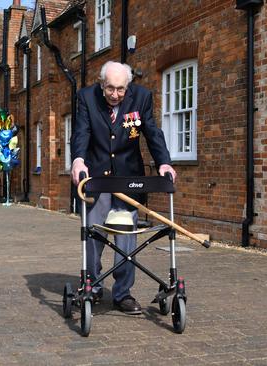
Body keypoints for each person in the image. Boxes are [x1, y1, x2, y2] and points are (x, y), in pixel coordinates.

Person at [70, 61, 177, 315]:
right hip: (95, 179)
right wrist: (77, 160)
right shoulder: (86, 97)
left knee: (127, 240)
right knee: (93, 236)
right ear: (101, 83)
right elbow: (81, 132)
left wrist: (164, 163)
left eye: (120, 89)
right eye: (110, 88)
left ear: (128, 86)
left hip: (129, 180)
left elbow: (151, 132)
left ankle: (122, 294)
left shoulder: (141, 97)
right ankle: (92, 287)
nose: (115, 94)